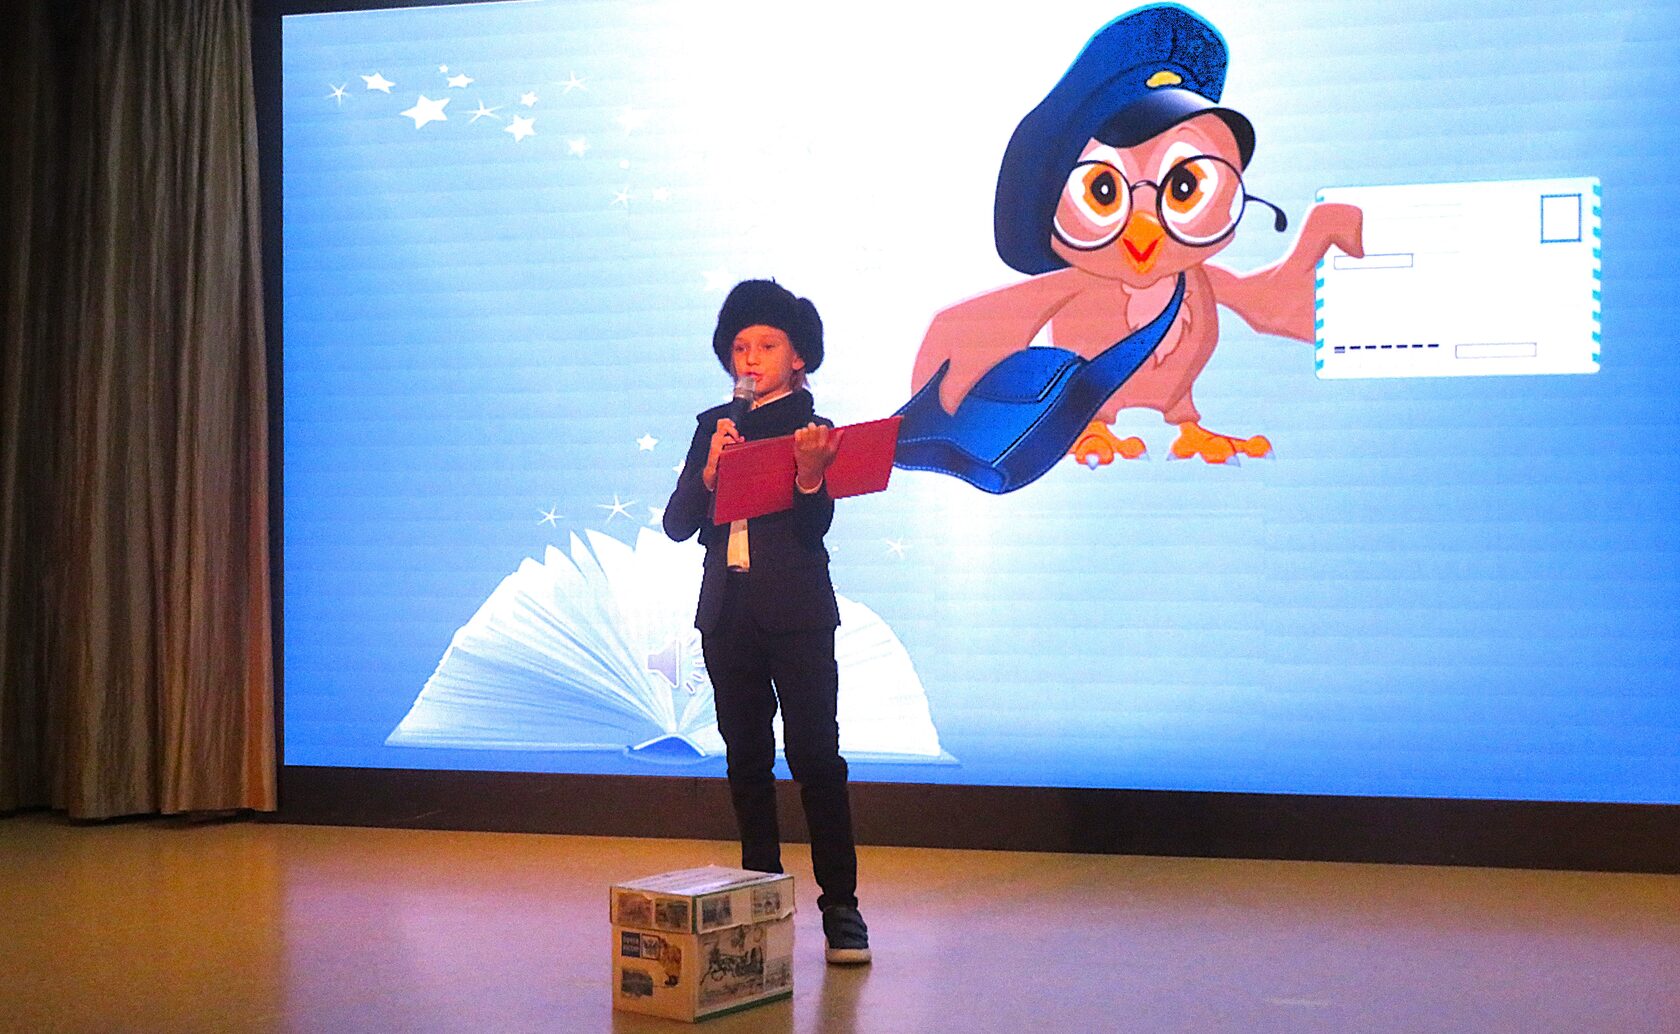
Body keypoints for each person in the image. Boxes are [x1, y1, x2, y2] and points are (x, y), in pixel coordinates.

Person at [663, 279, 871, 965]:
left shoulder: (815, 430)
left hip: (798, 613)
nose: (750, 358)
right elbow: (677, 525)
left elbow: (812, 531)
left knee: (816, 758)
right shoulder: (714, 427)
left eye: (767, 345)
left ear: (798, 357)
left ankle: (841, 906)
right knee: (746, 758)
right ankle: (758, 896)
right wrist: (708, 471)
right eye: (740, 347)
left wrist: (810, 478)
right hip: (728, 613)